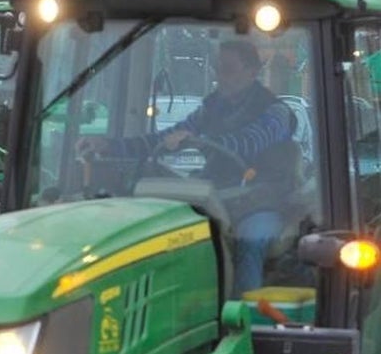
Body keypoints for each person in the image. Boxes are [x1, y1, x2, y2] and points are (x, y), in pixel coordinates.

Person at [77, 40, 297, 295]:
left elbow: (247, 142)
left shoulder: (277, 113)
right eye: (217, 68)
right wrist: (110, 146)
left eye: (227, 69)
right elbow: (164, 138)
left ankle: (247, 311)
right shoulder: (211, 108)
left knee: (250, 241)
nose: (219, 76)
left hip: (261, 203)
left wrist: (197, 141)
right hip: (218, 200)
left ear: (252, 71)